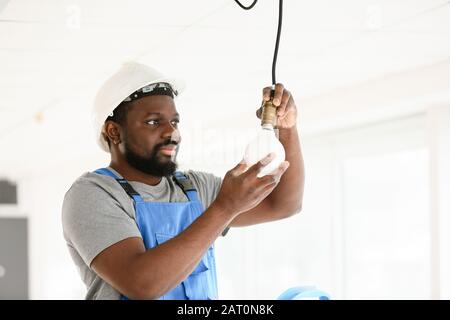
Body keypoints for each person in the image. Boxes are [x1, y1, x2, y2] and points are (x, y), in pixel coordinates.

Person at [62, 62, 304, 300]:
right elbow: (141, 285)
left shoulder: (194, 188)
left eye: (174, 122)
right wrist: (225, 208)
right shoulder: (93, 194)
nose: (171, 132)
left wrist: (288, 128)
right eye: (154, 122)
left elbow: (282, 205)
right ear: (114, 132)